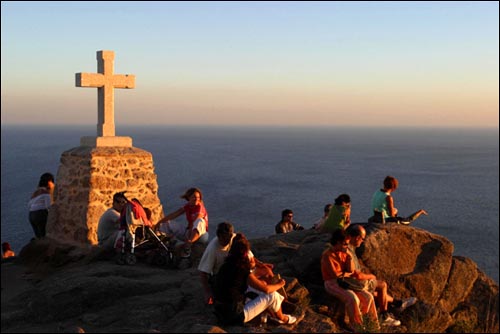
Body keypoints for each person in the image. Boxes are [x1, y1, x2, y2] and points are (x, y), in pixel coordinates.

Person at [213, 233, 296, 326]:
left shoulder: (225, 266)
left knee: (258, 291)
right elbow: (267, 290)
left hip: (220, 311)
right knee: (271, 295)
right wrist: (280, 284)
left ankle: (266, 317)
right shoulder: (242, 270)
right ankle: (283, 318)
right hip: (234, 315)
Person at [345, 224, 417, 327]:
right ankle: (385, 316)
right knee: (382, 285)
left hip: (349, 282)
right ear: (357, 237)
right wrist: (371, 276)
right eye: (362, 239)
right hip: (353, 283)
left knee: (376, 294)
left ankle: (398, 303)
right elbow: (357, 275)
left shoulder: (347, 246)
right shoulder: (348, 251)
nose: (362, 241)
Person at [198, 222, 275, 305]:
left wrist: (261, 264)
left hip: (240, 270)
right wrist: (207, 292)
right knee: (261, 285)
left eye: (227, 238)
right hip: (224, 276)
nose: (224, 240)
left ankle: (279, 298)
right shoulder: (213, 249)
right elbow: (203, 272)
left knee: (267, 272)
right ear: (218, 236)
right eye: (222, 238)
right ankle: (266, 295)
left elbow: (249, 255)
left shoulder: (235, 239)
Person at [321, 229, 379, 332]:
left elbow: (351, 270)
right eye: (345, 244)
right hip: (332, 283)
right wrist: (346, 273)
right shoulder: (328, 255)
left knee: (368, 296)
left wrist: (349, 257)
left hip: (345, 281)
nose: (347, 246)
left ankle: (371, 324)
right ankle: (358, 327)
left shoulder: (344, 253)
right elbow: (335, 275)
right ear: (338, 242)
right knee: (352, 298)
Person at [156, 187, 209, 256]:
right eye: (194, 197)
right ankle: (163, 242)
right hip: (189, 232)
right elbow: (174, 214)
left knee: (199, 221)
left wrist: (189, 240)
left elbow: (195, 221)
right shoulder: (187, 206)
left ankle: (188, 245)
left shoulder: (200, 207)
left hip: (201, 235)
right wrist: (159, 223)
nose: (196, 199)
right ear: (188, 198)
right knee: (168, 224)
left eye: (198, 197)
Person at [28, 172, 55, 238]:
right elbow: (48, 206)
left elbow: (29, 204)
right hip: (40, 214)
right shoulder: (46, 192)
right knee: (44, 235)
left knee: (38, 236)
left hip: (31, 215)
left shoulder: (36, 192)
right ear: (49, 182)